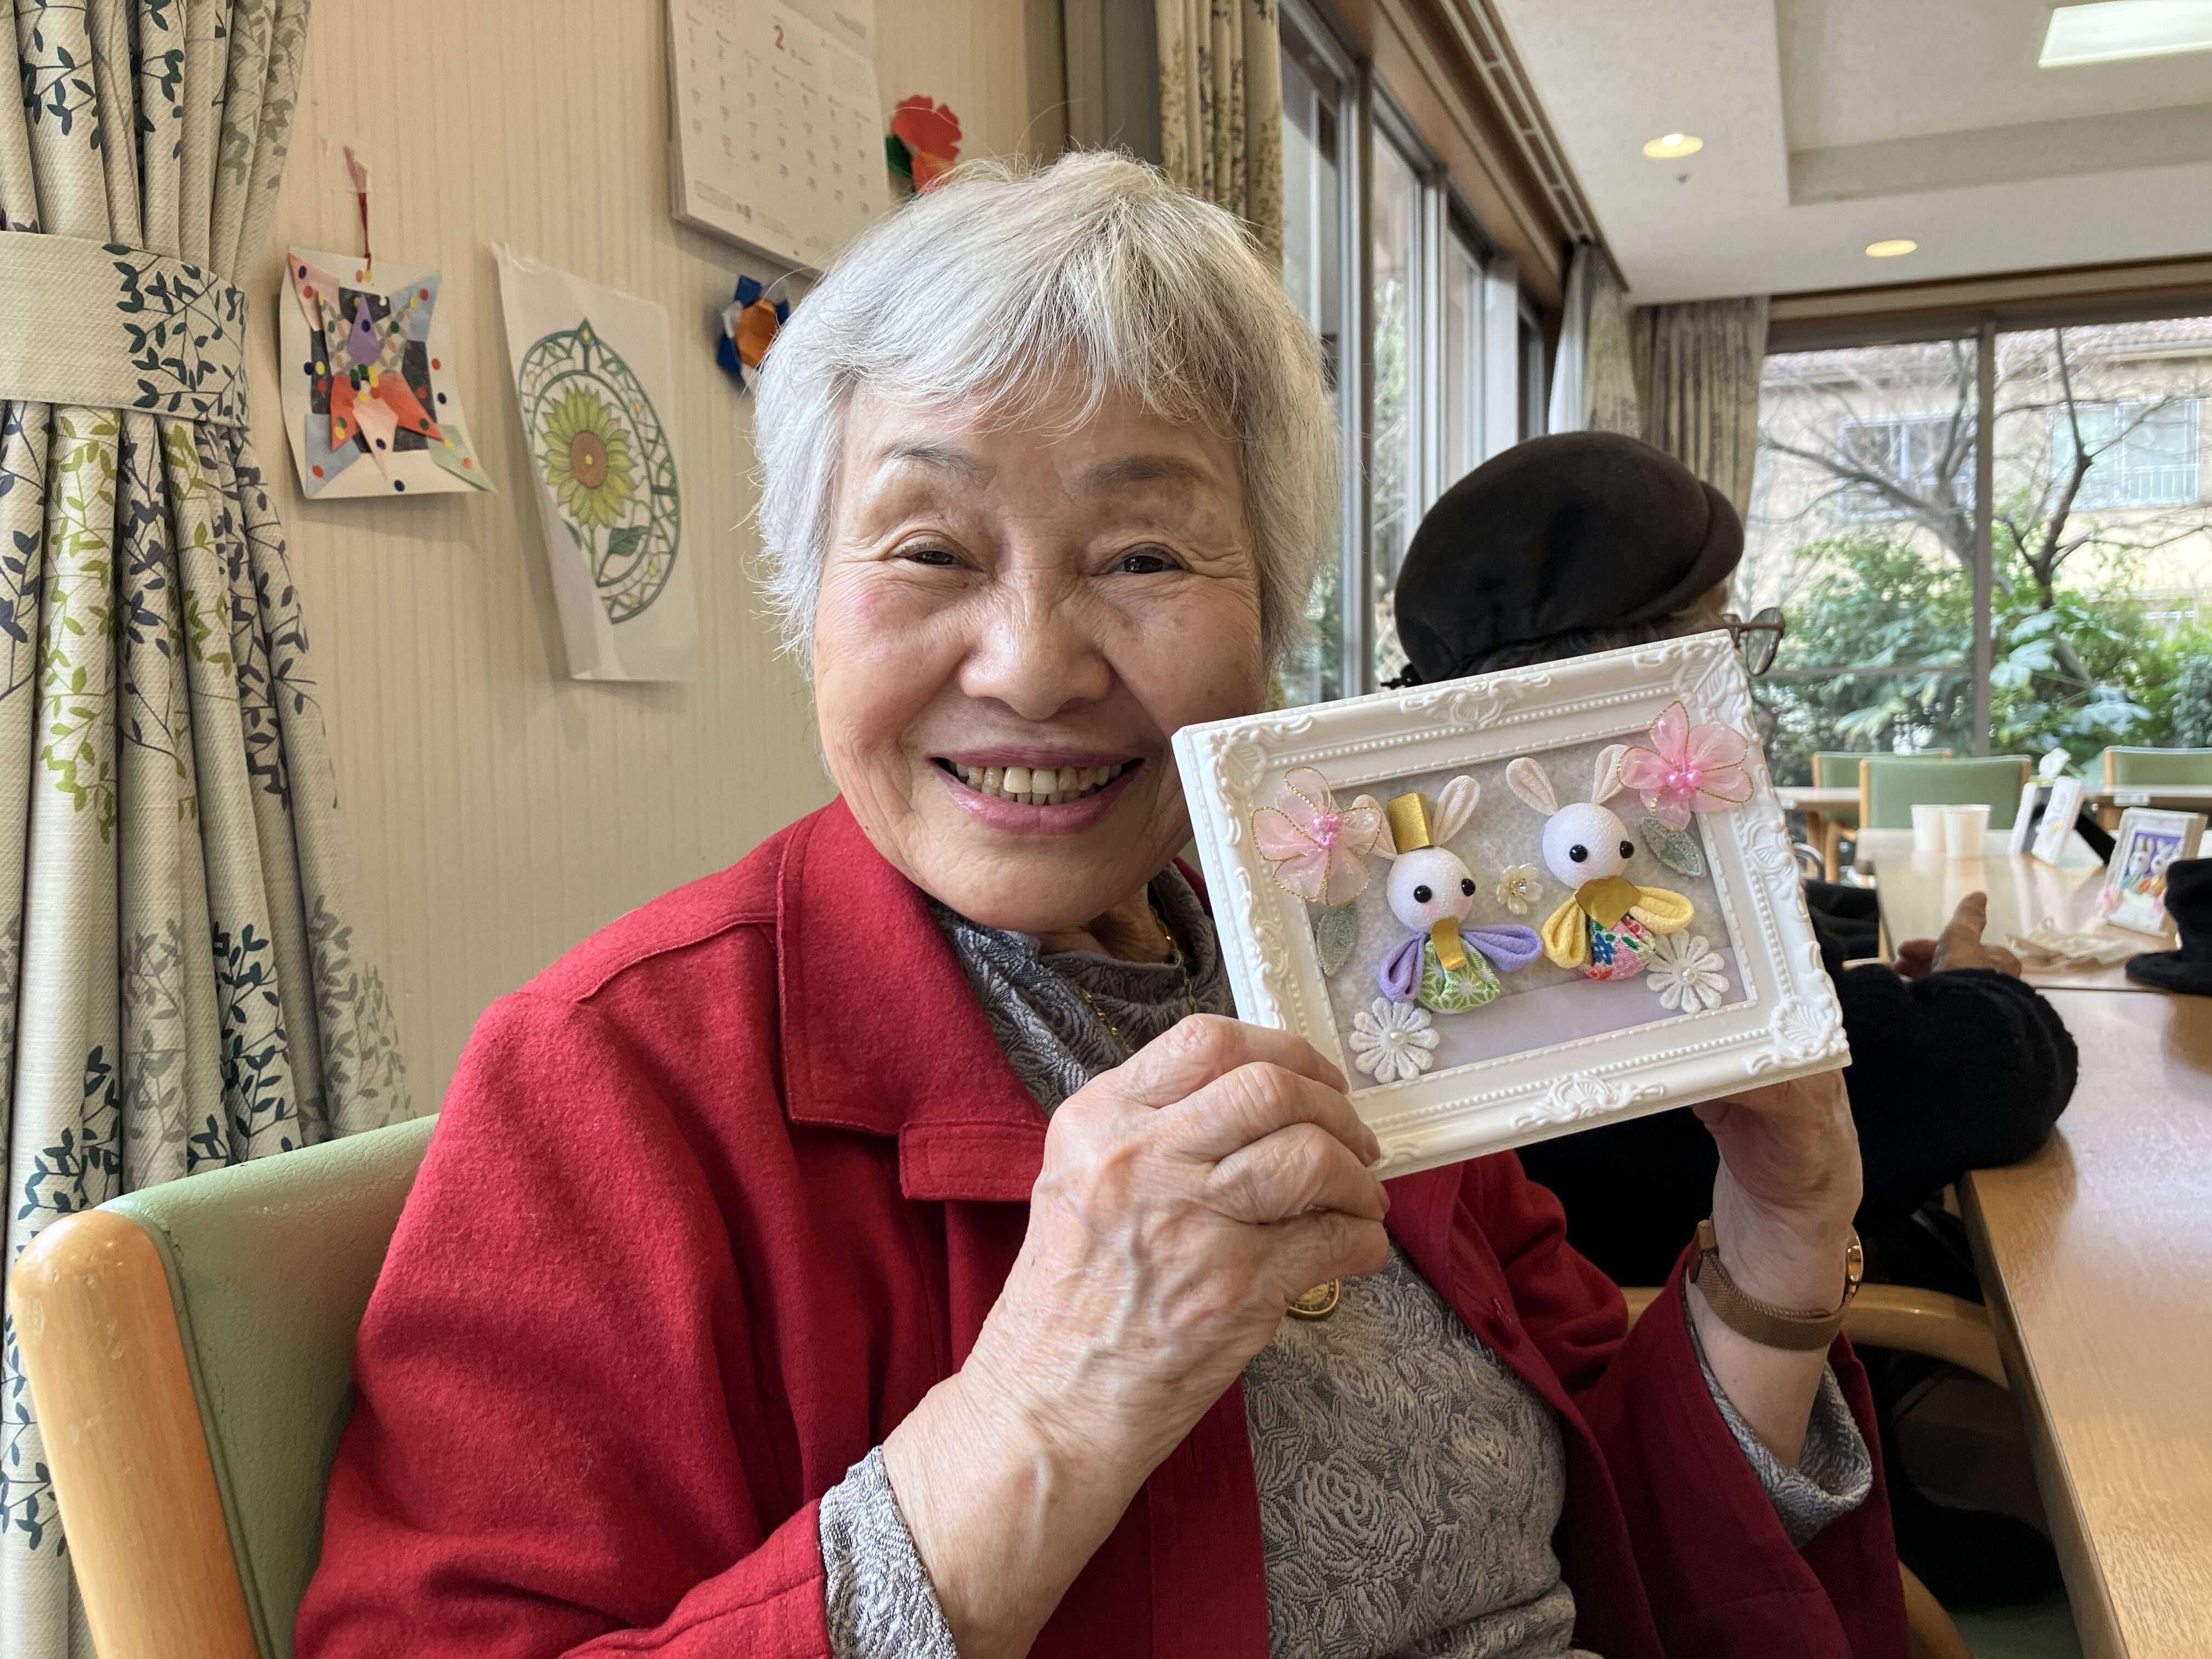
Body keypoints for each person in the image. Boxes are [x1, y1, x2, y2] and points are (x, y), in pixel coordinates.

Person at [296, 158, 1905, 1659]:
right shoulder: (611, 1082)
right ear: (807, 599)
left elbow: (1610, 1529)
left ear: (1271, 624)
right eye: (931, 547)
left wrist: (1780, 1236)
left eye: (1143, 556)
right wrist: (1046, 1409)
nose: (1032, 668)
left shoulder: (1348, 949)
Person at [1390, 431, 2078, 1606]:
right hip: (1688, 1411)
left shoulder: (1480, 869)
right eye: (1727, 636)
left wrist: (1888, 983)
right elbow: (2001, 1075)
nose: (1744, 676)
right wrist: (1974, 983)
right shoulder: (1626, 926)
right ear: (1630, 680)